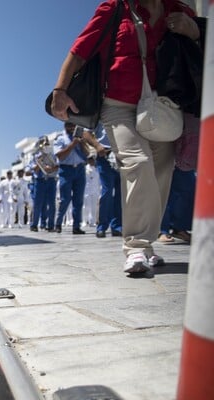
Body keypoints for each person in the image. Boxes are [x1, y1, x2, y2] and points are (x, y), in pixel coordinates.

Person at [50, 0, 199, 273]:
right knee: (138, 164)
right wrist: (60, 89)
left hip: (162, 106)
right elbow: (79, 51)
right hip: (118, 105)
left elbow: (201, 47)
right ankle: (136, 247)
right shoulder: (114, 8)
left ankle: (148, 245)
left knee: (161, 174)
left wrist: (195, 31)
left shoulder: (177, 9)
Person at [83, 124, 123, 238]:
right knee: (107, 191)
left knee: (121, 192)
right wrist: (97, 145)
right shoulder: (99, 112)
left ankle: (117, 226)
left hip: (122, 155)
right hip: (105, 155)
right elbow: (86, 133)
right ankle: (102, 226)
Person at [53, 122, 89, 234]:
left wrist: (82, 143)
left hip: (79, 169)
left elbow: (87, 154)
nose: (72, 128)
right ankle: (58, 223)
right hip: (66, 170)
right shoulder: (60, 139)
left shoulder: (79, 138)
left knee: (78, 200)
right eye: (70, 126)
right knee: (65, 199)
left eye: (74, 126)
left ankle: (76, 226)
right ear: (66, 126)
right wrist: (72, 144)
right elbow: (60, 155)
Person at [26, 136, 59, 232]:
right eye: (44, 143)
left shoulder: (52, 155)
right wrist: (39, 162)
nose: (46, 145)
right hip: (40, 180)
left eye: (47, 143)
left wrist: (51, 168)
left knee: (52, 204)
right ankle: (34, 224)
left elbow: (57, 165)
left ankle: (51, 225)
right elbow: (31, 170)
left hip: (51, 180)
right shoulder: (35, 156)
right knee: (38, 204)